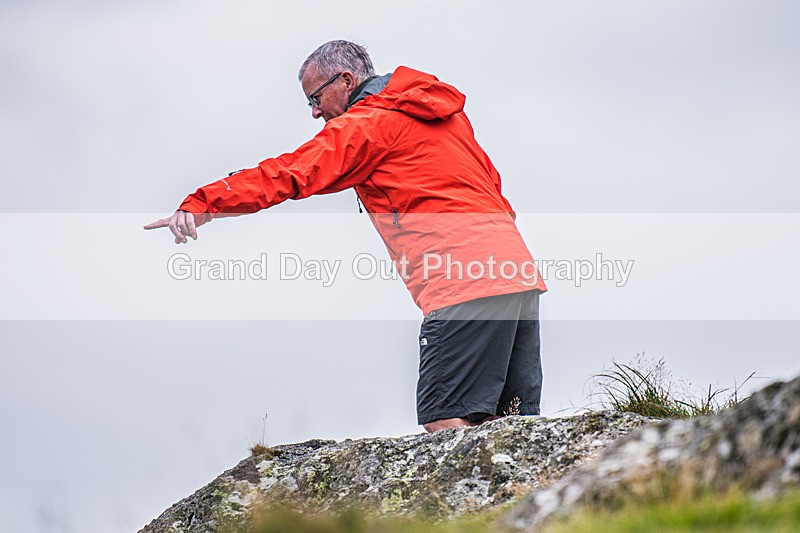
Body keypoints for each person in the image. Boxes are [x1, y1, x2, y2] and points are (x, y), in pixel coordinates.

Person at [145, 40, 548, 432]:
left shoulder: (370, 123)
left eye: (315, 99)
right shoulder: (444, 115)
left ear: (346, 80)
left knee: (444, 416)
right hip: (514, 271)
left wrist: (205, 202)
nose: (315, 112)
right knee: (509, 424)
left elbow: (293, 172)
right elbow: (490, 183)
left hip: (461, 277)